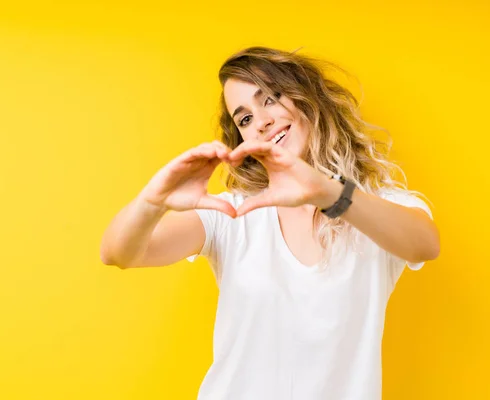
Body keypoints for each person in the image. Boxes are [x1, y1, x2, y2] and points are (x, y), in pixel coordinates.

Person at [100, 46, 440, 400]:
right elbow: (119, 253)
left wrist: (327, 193)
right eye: (244, 118)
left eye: (270, 99)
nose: (260, 121)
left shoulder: (374, 208)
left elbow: (425, 244)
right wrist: (152, 202)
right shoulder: (232, 215)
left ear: (306, 98)